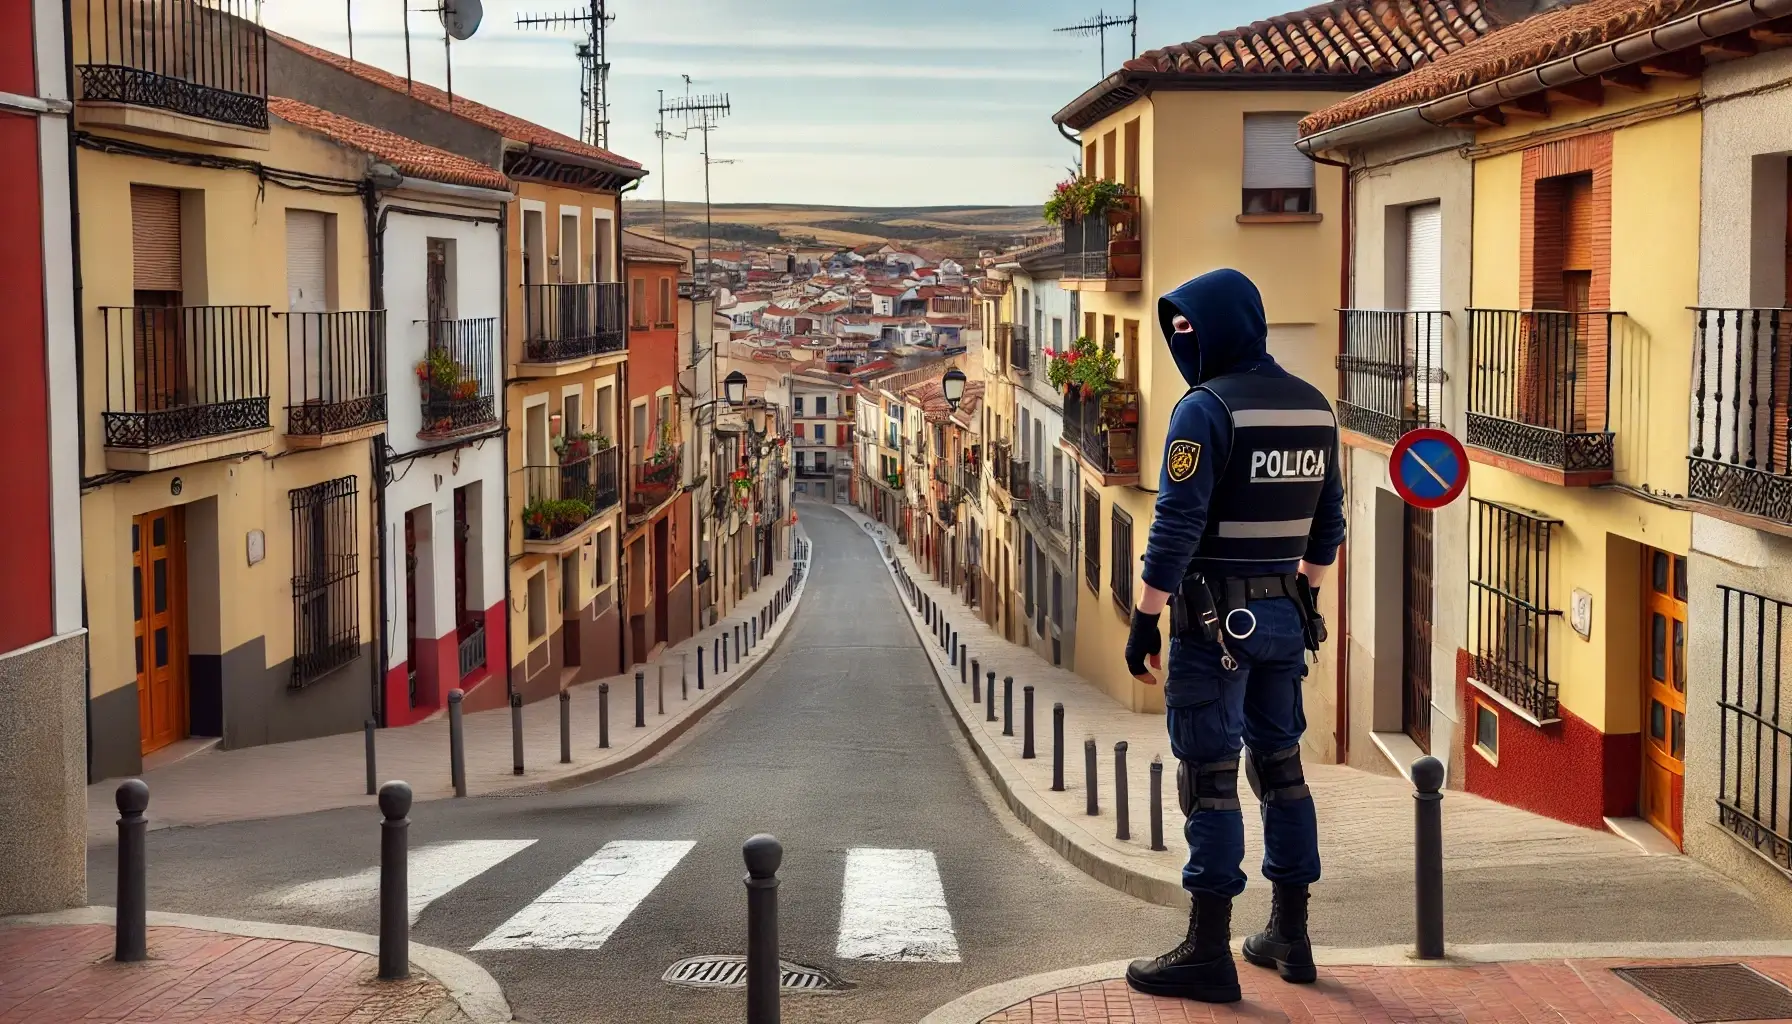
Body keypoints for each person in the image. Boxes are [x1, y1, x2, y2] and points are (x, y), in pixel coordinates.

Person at [1120, 268, 1344, 1003]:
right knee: (1282, 769)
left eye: (1190, 327)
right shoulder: (1315, 409)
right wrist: (1299, 602)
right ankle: (1291, 934)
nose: (1183, 339)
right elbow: (1327, 530)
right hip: (1283, 616)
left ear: (1223, 326)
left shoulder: (1204, 409)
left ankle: (1207, 952)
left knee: (1210, 779)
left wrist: (1145, 618)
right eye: (1173, 327)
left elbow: (1176, 526)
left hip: (1211, 623)